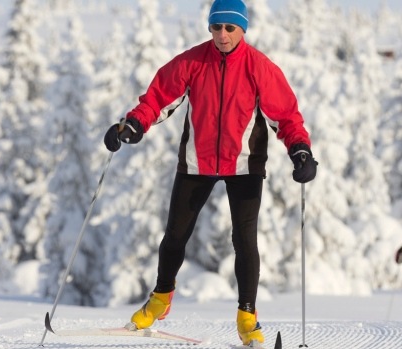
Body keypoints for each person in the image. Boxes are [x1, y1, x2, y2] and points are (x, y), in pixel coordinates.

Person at [103, 0, 317, 345]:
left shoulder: (259, 67)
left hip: (245, 165)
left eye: (229, 28)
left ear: (242, 29)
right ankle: (161, 298)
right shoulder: (192, 62)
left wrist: (300, 150)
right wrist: (134, 124)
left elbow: (287, 116)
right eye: (216, 27)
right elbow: (158, 98)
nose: (221, 35)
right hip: (197, 163)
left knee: (244, 240)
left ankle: (247, 317)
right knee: (175, 235)